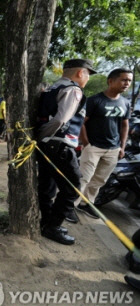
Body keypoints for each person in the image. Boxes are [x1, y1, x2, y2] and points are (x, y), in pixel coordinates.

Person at [36, 59, 97, 245]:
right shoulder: (74, 89)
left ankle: (46, 221)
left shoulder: (51, 88)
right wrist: (43, 135)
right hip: (60, 144)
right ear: (80, 73)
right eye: (88, 74)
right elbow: (61, 120)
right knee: (72, 188)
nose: (88, 79)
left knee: (47, 186)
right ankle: (53, 227)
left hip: (46, 146)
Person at [74, 68, 132, 220]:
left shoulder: (125, 102)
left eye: (129, 81)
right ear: (111, 81)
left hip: (113, 149)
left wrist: (122, 146)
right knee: (84, 178)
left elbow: (125, 125)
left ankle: (86, 204)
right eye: (124, 79)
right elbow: (81, 122)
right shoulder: (94, 100)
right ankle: (70, 206)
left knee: (99, 180)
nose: (127, 83)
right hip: (93, 147)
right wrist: (86, 143)